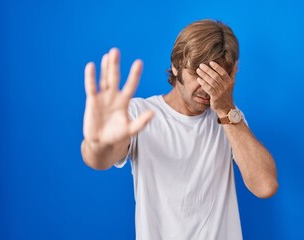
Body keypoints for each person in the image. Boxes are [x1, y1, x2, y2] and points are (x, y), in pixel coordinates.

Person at [81, 19, 278, 240]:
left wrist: (226, 110)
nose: (206, 88)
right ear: (176, 66)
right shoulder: (139, 113)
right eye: (197, 74)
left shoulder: (229, 118)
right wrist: (97, 144)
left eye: (216, 78)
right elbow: (99, 160)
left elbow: (265, 186)